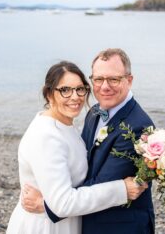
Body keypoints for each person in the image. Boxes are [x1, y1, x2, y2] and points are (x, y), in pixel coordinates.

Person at [22, 49, 156, 233]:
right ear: (49, 94)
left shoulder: (137, 126)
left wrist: (47, 205)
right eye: (98, 79)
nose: (104, 86)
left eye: (114, 79)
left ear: (129, 80)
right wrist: (56, 201)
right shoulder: (94, 112)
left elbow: (101, 182)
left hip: (119, 226)